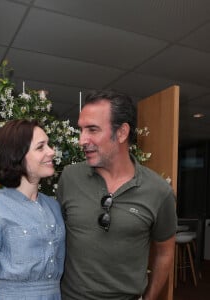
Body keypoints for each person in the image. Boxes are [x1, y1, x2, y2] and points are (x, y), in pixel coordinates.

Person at [57, 90, 177, 300]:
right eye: (81, 130)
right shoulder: (69, 177)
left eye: (92, 129)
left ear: (121, 133)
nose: (82, 140)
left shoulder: (159, 191)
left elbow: (165, 252)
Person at [0, 119, 65, 300]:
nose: (51, 151)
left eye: (49, 145)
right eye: (41, 147)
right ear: (18, 156)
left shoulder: (53, 207)